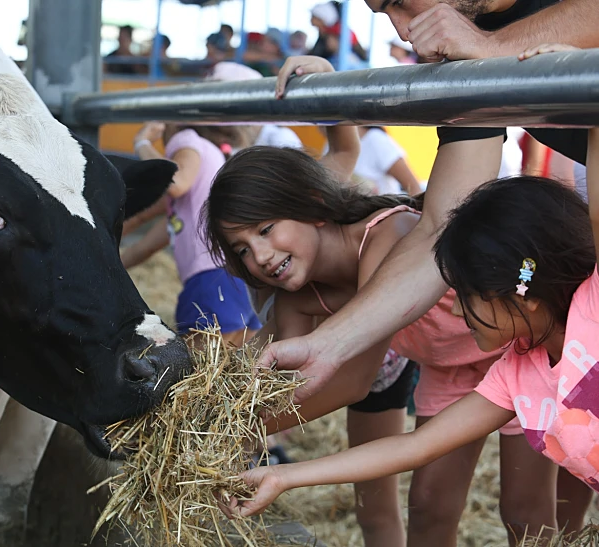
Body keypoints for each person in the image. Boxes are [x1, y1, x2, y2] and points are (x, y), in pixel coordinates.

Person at [223, 49, 599, 542]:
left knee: (528, 510)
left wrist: (580, 73)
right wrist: (285, 475)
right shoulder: (518, 373)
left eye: (464, 295)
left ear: (519, 293)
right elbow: (415, 446)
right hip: (462, 367)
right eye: (243, 249)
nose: (456, 309)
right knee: (431, 502)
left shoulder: (591, 307)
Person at [121, 122, 259, 346]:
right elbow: (148, 245)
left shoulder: (186, 138)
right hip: (234, 280)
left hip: (208, 283)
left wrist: (142, 143)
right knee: (242, 367)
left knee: (196, 371)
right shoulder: (202, 182)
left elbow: (176, 183)